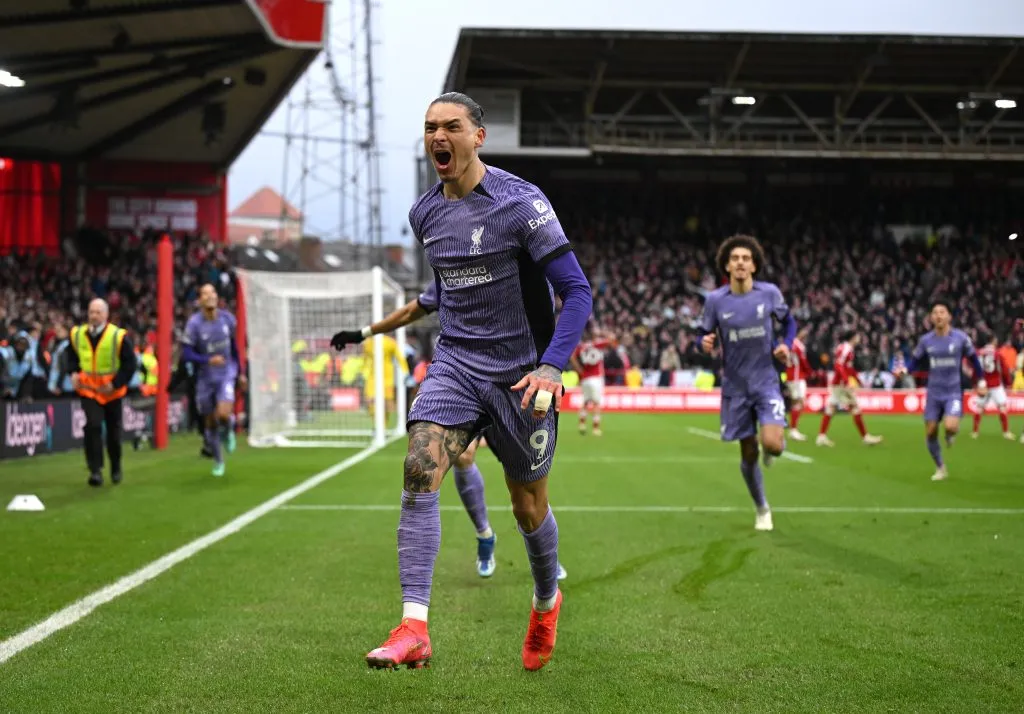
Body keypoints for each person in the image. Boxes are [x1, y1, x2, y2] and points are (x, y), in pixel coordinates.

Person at [362, 92, 591, 672]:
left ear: (478, 136)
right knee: (419, 468)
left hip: (522, 375)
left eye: (452, 126)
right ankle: (414, 625)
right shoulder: (425, 215)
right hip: (458, 365)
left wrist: (551, 365)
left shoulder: (522, 204)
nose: (439, 136)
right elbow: (443, 294)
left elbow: (577, 290)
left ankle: (545, 601)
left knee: (527, 505)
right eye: (430, 127)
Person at [331, 285, 574, 580]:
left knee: (529, 495)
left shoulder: (522, 262)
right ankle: (484, 535)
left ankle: (547, 559)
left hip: (515, 387)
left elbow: (572, 294)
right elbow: (412, 310)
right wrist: (363, 333)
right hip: (468, 384)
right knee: (462, 456)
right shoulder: (457, 268)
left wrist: (552, 364)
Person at [697, 235, 796, 533]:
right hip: (735, 387)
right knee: (748, 452)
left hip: (766, 381)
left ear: (754, 265)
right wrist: (704, 343)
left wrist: (786, 345)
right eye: (735, 258)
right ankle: (762, 507)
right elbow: (701, 336)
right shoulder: (715, 301)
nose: (741, 262)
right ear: (727, 265)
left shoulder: (769, 294)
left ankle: (773, 445)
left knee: (773, 445)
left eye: (746, 258)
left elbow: (789, 323)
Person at [896, 298, 986, 481]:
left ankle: (950, 435)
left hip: (953, 390)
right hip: (934, 392)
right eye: (935, 313)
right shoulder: (926, 341)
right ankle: (940, 467)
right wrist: (905, 371)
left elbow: (974, 360)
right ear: (931, 317)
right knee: (930, 432)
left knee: (951, 426)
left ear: (949, 316)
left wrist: (981, 381)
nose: (938, 316)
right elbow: (915, 361)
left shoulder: (961, 338)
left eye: (942, 312)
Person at [67, 299, 136, 487]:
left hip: (112, 392)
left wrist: (115, 383)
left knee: (114, 433)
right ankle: (95, 470)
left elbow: (130, 365)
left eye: (98, 312)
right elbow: (71, 356)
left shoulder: (118, 336)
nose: (94, 316)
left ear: (106, 315)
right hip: (89, 390)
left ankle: (116, 466)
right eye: (91, 312)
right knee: (93, 426)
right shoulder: (77, 334)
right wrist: (73, 372)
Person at [182, 284, 245, 477]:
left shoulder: (227, 319)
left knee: (223, 413)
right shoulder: (194, 324)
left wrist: (240, 372)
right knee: (210, 422)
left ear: (217, 297)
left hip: (226, 373)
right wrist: (207, 359)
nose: (210, 296)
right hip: (205, 378)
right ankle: (218, 461)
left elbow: (234, 347)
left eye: (213, 292)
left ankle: (229, 427)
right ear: (200, 300)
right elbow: (186, 353)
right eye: (205, 293)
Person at [816, 331, 884, 447]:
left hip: (839, 382)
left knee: (831, 408)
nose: (859, 338)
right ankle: (865, 437)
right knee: (854, 407)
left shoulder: (846, 348)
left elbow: (848, 368)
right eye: (857, 336)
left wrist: (858, 380)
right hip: (842, 384)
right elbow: (839, 365)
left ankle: (821, 436)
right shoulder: (846, 348)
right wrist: (847, 381)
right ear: (853, 337)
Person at [570, 325, 612, 436]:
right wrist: (604, 334)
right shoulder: (597, 344)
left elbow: (572, 356)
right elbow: (612, 341)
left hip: (585, 377)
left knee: (585, 401)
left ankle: (582, 424)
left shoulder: (582, 347)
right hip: (596, 377)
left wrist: (579, 369)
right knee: (596, 403)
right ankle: (595, 428)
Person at [360, 330, 409, 425]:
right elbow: (365, 359)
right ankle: (378, 425)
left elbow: (400, 357)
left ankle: (383, 426)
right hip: (372, 377)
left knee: (387, 404)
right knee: (369, 401)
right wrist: (363, 372)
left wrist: (405, 371)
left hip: (387, 378)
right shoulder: (368, 343)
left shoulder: (390, 342)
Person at [972, 332, 1014, 440]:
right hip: (995, 384)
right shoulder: (997, 353)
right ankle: (1006, 432)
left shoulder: (979, 352)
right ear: (993, 340)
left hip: (983, 384)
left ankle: (975, 432)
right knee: (1002, 407)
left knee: (979, 408)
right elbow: (1004, 369)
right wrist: (1008, 382)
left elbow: (975, 368)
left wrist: (975, 383)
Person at [785, 325, 812, 441]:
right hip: (797, 377)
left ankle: (792, 428)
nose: (805, 334)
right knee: (799, 403)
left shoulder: (790, 343)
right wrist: (810, 372)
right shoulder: (798, 346)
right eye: (804, 332)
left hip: (791, 376)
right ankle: (793, 430)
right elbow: (803, 361)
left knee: (795, 402)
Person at [0, 330, 39, 401]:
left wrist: (26, 395)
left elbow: (28, 378)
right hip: (3, 387)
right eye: (20, 343)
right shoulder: (6, 354)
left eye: (24, 344)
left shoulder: (28, 358)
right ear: (15, 343)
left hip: (17, 390)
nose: (21, 346)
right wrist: (3, 389)